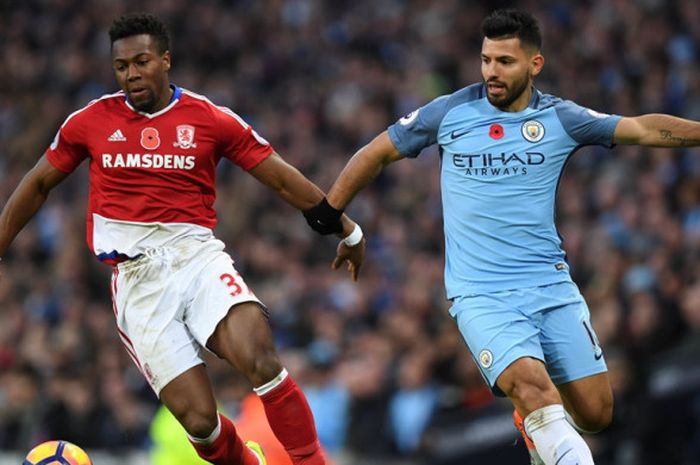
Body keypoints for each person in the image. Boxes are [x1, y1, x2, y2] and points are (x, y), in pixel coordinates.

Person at [302, 8, 700, 465]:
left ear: (534, 64)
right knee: (532, 387)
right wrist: (331, 214)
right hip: (481, 295)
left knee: (595, 413)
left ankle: (533, 431)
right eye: (486, 59)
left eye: (505, 62)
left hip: (550, 286)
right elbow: (376, 152)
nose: (492, 71)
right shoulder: (450, 111)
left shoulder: (562, 119)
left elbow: (642, 128)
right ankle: (537, 421)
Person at [0, 13, 365, 465]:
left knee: (261, 358)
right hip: (136, 280)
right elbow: (37, 184)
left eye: (142, 61)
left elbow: (281, 180)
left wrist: (346, 227)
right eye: (121, 66)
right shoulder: (89, 122)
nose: (132, 74)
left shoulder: (210, 118)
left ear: (165, 60)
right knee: (201, 425)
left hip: (195, 256)